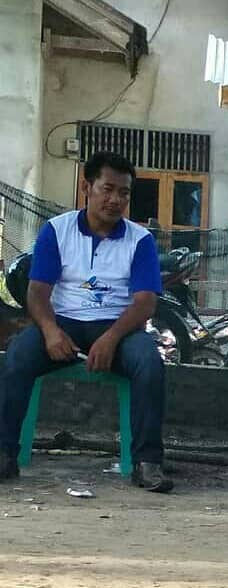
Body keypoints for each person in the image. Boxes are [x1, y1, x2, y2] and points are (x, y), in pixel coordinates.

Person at [0, 151, 171, 492]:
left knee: (150, 363)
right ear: (86, 187)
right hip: (64, 322)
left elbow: (145, 302)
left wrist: (110, 338)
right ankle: (4, 453)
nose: (115, 199)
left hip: (120, 327)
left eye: (123, 192)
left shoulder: (140, 240)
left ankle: (147, 463)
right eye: (107, 189)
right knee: (17, 356)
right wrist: (50, 331)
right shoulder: (57, 231)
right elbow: (37, 292)